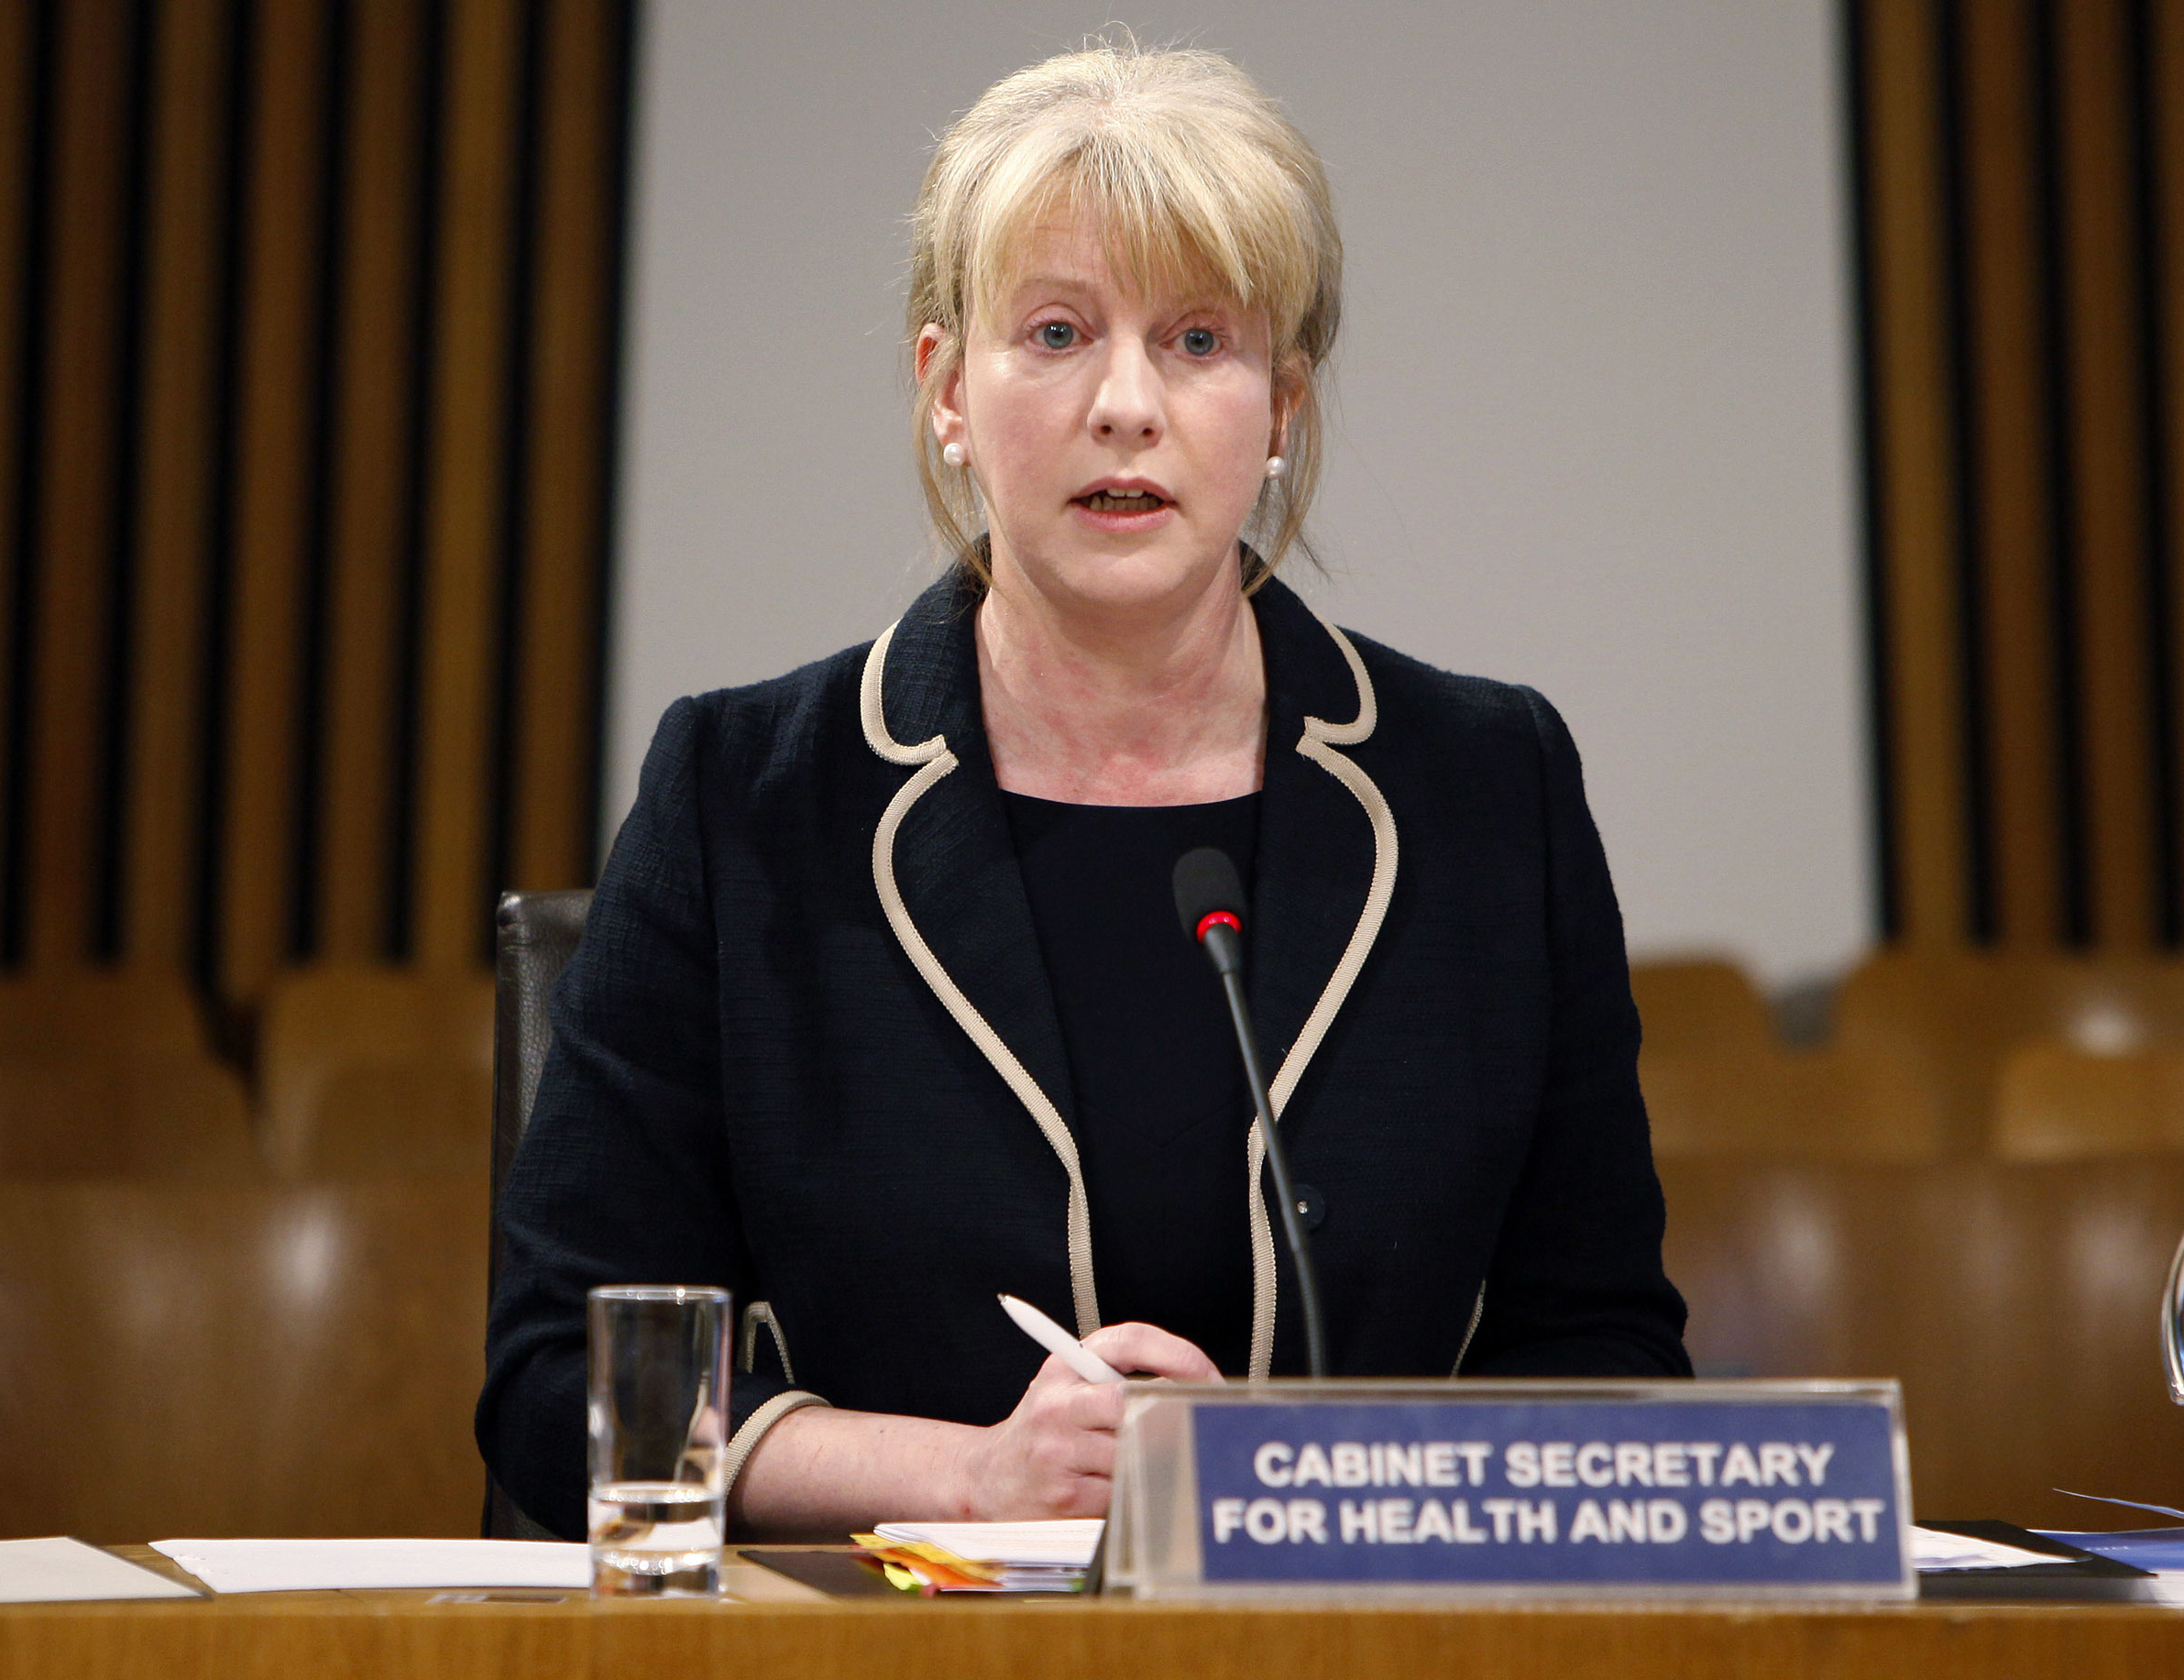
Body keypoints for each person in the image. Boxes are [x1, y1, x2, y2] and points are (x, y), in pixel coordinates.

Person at [477, 39, 1690, 1542]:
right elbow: (561, 1380)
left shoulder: (1485, 791)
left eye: (1197, 342)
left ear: (1281, 405)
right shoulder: (745, 798)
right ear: (944, 390)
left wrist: (1299, 1485)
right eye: (1054, 333)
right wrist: (973, 1477)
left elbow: (1606, 1351)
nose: (1127, 402)